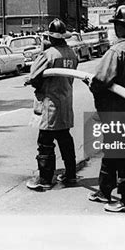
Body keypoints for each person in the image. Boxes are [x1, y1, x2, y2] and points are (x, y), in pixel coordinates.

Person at [87, 5, 125, 213]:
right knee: (112, 148)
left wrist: (92, 85)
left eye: (116, 25)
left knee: (119, 152)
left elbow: (101, 79)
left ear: (120, 27)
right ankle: (105, 190)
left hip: (116, 110)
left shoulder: (117, 50)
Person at [25, 19, 78, 190]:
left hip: (50, 104)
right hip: (65, 102)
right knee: (65, 140)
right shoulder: (71, 54)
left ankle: (45, 179)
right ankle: (71, 175)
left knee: (45, 142)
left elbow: (34, 76)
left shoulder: (48, 55)